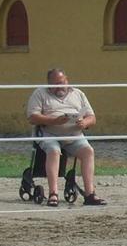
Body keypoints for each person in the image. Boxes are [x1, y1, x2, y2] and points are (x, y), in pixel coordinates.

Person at [25, 68, 106, 206]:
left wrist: (84, 122)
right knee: (54, 151)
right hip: (49, 133)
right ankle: (53, 194)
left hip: (74, 134)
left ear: (67, 80)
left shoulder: (78, 93)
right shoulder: (40, 93)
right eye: (55, 84)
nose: (59, 87)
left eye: (61, 82)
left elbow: (92, 117)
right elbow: (32, 117)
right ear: (49, 84)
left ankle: (90, 194)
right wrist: (53, 121)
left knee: (88, 151)